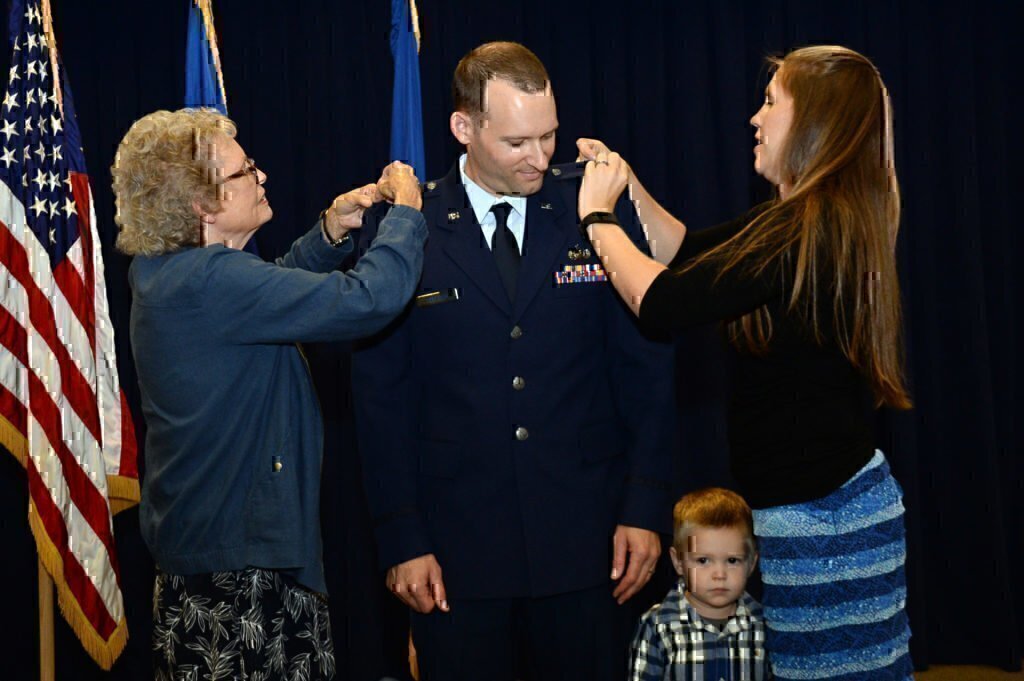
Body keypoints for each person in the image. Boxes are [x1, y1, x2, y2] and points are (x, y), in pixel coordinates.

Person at [576, 45, 913, 679]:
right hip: (816, 515)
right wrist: (627, 185)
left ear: (813, 123)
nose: (755, 120)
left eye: (770, 103)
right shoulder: (800, 223)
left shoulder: (804, 231)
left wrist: (596, 216)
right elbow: (683, 251)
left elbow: (662, 302)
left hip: (828, 525)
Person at [351, 42, 675, 680]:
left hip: (586, 544)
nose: (540, 158)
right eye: (518, 142)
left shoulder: (593, 212)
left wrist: (644, 505)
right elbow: (381, 400)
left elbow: (647, 370)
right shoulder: (406, 230)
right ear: (463, 128)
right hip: (456, 554)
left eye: (548, 137)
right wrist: (403, 537)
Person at [113, 108, 426, 680]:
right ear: (201, 206)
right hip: (240, 577)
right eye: (243, 172)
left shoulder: (171, 273)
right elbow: (367, 300)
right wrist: (405, 215)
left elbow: (268, 294)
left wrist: (331, 230)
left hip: (218, 562)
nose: (262, 177)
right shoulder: (210, 281)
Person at [629, 488, 768, 681]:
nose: (719, 574)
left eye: (732, 561)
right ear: (678, 562)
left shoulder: (765, 624)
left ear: (751, 563)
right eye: (703, 560)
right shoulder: (657, 626)